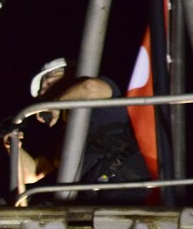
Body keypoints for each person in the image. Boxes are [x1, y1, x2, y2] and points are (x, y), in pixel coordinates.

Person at [14, 58, 150, 204]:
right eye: (42, 92)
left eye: (48, 82)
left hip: (121, 180)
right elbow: (36, 173)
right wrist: (14, 145)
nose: (43, 92)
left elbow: (89, 87)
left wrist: (56, 103)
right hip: (92, 188)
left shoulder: (97, 95)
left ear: (71, 76)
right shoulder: (68, 132)